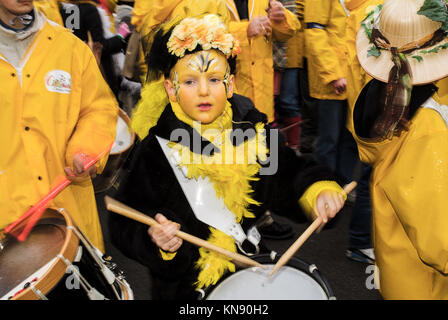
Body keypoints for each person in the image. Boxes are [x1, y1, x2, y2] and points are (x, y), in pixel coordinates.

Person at [108, 14, 349, 300]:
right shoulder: (155, 151)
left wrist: (318, 191)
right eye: (189, 81)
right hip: (184, 287)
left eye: (214, 78)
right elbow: (124, 222)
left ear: (230, 85)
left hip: (249, 277)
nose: (203, 91)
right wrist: (156, 241)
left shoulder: (254, 132)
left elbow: (291, 175)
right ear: (171, 90)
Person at [0, 0, 118, 252]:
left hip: (67, 219)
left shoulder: (70, 48)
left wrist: (85, 152)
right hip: (6, 226)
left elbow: (99, 109)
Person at [353, 0, 448, 299]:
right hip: (428, 286)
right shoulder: (427, 127)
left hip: (400, 268)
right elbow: (441, 241)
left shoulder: (388, 95)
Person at [343, 0, 383, 265]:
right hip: (378, 114)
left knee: (374, 176)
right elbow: (374, 71)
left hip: (373, 111)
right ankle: (360, 240)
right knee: (373, 178)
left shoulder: (374, 9)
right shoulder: (375, 12)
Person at [225, 0, 300, 123]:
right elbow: (204, 30)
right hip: (230, 93)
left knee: (264, 135)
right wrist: (244, 31)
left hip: (262, 94)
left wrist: (281, 17)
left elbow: (288, 32)